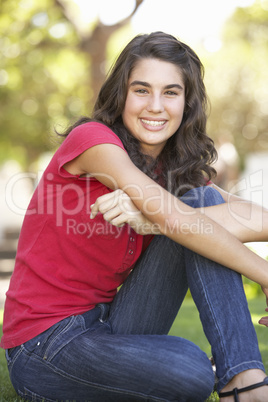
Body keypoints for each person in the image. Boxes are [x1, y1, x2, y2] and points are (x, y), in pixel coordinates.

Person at [1, 31, 268, 402]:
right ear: (121, 95)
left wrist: (152, 217)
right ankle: (239, 379)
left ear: (187, 103)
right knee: (189, 368)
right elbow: (176, 220)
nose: (155, 106)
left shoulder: (169, 171)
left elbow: (260, 220)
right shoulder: (93, 142)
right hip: (46, 346)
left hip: (110, 324)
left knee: (201, 199)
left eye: (170, 92)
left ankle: (244, 379)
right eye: (141, 90)